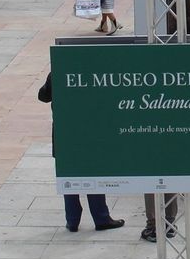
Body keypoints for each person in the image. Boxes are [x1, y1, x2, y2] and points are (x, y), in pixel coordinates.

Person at [37, 74, 127, 232]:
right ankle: (101, 218)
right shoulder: (91, 72)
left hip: (64, 132)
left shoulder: (57, 72)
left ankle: (72, 220)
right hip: (88, 131)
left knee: (68, 176)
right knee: (92, 173)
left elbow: (43, 96)